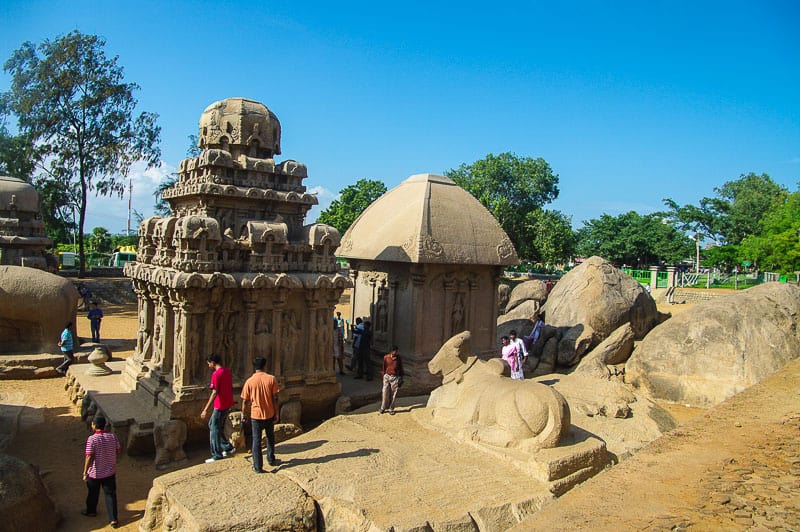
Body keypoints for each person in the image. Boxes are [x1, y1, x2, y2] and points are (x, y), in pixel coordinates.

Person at [241, 356, 280, 473]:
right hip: (269, 412)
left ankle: (257, 466)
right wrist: (276, 412)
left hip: (255, 415)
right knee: (270, 437)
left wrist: (243, 414)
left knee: (256, 440)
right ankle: (271, 459)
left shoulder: (249, 381)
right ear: (264, 366)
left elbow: (245, 401)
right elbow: (275, 398)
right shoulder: (271, 379)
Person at [81, 415, 121, 528]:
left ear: (94, 425)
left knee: (93, 493)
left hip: (95, 473)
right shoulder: (112, 436)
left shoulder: (92, 439)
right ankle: (113, 518)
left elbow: (89, 456)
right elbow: (118, 449)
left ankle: (91, 511)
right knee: (110, 495)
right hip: (109, 471)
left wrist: (85, 472)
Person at [201, 354, 236, 463]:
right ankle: (227, 447)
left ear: (213, 362)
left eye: (208, 363)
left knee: (214, 428)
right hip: (227, 402)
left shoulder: (216, 374)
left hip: (220, 404)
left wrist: (205, 409)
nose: (208, 365)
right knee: (214, 425)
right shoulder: (227, 371)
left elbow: (214, 392)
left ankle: (216, 454)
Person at [380, 346, 404, 415]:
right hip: (387, 376)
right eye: (394, 351)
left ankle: (391, 408)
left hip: (395, 377)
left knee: (393, 394)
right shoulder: (386, 357)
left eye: (396, 351)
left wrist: (401, 377)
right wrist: (383, 375)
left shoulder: (398, 358)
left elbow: (401, 367)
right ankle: (383, 407)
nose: (395, 352)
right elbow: (384, 367)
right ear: (391, 351)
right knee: (385, 392)